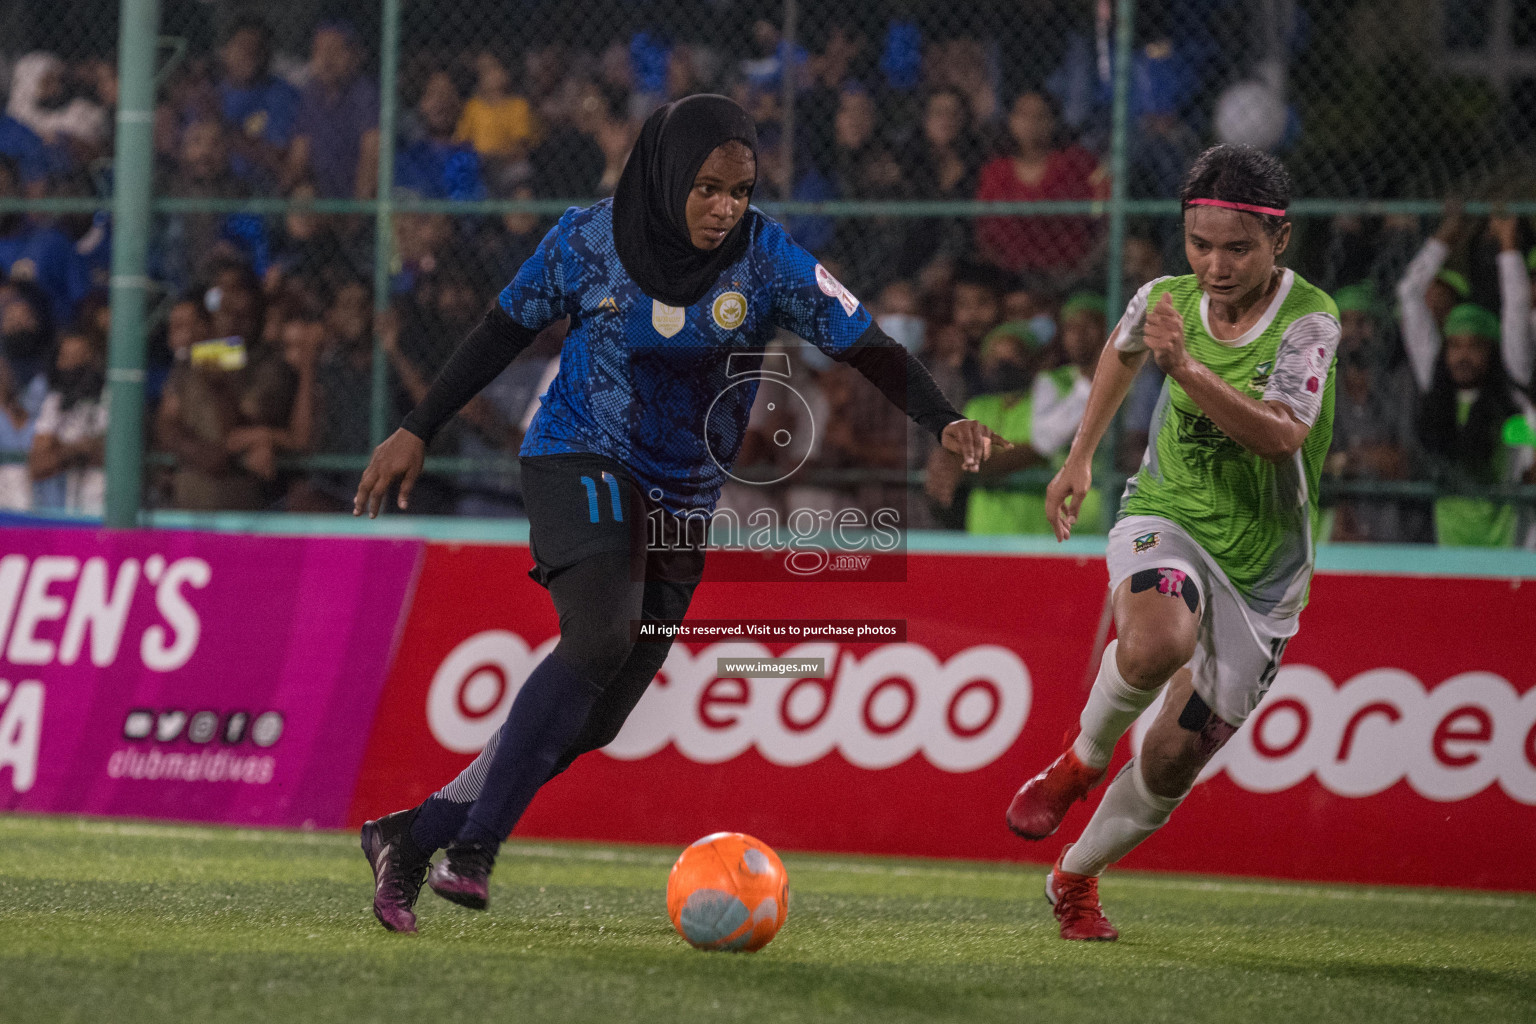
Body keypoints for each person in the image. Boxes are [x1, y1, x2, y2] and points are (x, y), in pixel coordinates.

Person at [351, 94, 1007, 934]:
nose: (723, 208)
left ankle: (410, 834)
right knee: (598, 635)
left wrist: (942, 418)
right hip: (577, 456)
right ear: (665, 175)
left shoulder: (768, 259)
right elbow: (499, 330)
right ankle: (473, 850)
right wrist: (416, 427)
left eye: (739, 190)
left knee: (602, 713)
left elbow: (865, 341)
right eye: (706, 188)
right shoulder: (587, 239)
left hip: (683, 497)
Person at [1004, 145, 1340, 941]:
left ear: (1279, 241)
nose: (1215, 266)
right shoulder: (1164, 299)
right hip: (1169, 514)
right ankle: (1079, 761)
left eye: (1237, 248)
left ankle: (1074, 879)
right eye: (1200, 245)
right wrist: (1080, 457)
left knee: (1167, 762)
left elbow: (1283, 438)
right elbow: (1121, 354)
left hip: (1265, 574)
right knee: (1158, 638)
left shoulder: (1309, 320)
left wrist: (1183, 368)